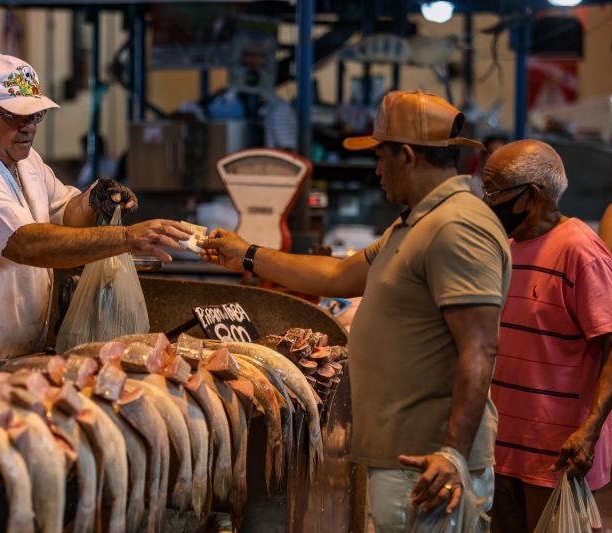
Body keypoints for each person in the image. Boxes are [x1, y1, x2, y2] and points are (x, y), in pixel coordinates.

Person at [201, 90, 511, 530]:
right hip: (402, 458)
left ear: (407, 156)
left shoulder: (458, 226)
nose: (378, 171)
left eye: (381, 157)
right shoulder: (414, 223)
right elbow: (337, 275)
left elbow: (480, 348)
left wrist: (453, 454)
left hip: (428, 465)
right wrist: (246, 254)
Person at [0, 54, 190, 374]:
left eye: (36, 116)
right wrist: (126, 238)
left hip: (15, 347)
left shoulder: (26, 162)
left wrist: (94, 198)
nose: (29, 127)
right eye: (15, 117)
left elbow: (64, 214)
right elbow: (26, 244)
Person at [481, 140, 612, 532]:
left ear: (532, 195)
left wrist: (590, 431)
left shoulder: (580, 251)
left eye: (494, 192)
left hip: (557, 456)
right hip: (502, 448)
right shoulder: (506, 247)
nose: (486, 202)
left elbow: (611, 345)